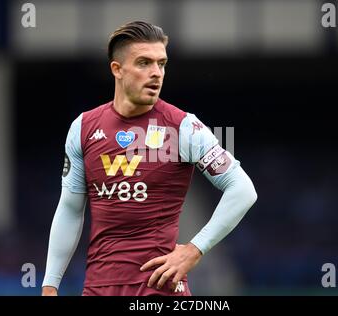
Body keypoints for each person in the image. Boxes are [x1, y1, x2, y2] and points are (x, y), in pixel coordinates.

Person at [41, 21, 257, 296]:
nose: (156, 73)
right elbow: (71, 209)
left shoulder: (184, 127)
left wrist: (194, 250)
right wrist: (50, 284)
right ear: (117, 70)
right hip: (98, 288)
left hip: (159, 290)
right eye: (144, 63)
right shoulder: (83, 128)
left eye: (161, 64)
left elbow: (242, 189)